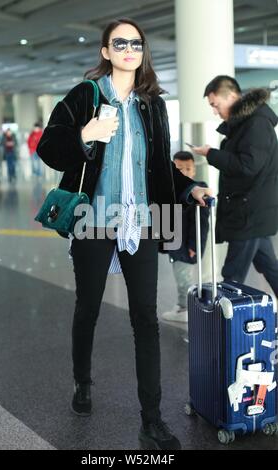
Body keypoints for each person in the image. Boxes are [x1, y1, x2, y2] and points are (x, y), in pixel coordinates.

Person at [37, 18, 212, 450]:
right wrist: (85, 134)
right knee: (88, 308)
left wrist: (190, 187)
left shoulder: (152, 104)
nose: (130, 49)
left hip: (142, 222)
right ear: (106, 51)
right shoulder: (86, 96)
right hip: (94, 219)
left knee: (145, 319)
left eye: (136, 43)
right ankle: (82, 382)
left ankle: (151, 419)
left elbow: (160, 166)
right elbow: (48, 147)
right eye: (120, 43)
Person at [193, 75, 278, 298]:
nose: (214, 111)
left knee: (232, 276)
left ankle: (221, 330)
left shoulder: (256, 123)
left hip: (249, 212)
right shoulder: (245, 124)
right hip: (251, 212)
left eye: (215, 105)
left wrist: (212, 154)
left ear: (231, 96)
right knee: (270, 269)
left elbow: (248, 166)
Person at [161, 151, 209, 322]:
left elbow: (201, 224)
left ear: (194, 171)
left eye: (188, 169)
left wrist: (195, 246)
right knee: (180, 275)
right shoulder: (171, 189)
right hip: (174, 243)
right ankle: (183, 305)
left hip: (186, 246)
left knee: (184, 278)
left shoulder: (197, 191)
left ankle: (185, 309)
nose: (184, 172)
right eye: (179, 169)